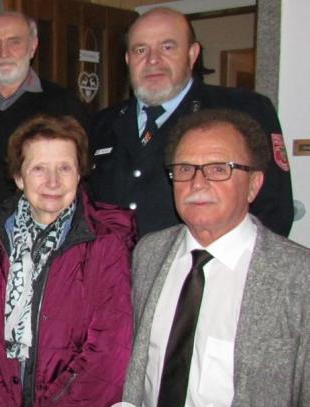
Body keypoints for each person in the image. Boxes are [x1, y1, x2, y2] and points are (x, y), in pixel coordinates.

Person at [122, 109, 309, 407]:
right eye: (184, 169)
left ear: (254, 184)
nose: (197, 183)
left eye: (219, 169)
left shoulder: (299, 278)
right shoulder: (148, 254)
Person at [0, 114, 134, 407]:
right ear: (19, 177)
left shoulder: (105, 244)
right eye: (39, 168)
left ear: (80, 173)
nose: (52, 181)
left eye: (64, 168)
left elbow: (108, 354)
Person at [88, 7, 293, 237]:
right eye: (140, 50)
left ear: (192, 54)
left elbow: (274, 209)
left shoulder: (241, 110)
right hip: (114, 270)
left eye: (167, 47)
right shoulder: (101, 124)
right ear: (128, 59)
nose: (153, 60)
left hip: (198, 268)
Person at [0, 10, 88, 217]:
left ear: (33, 46)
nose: (3, 52)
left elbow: (80, 172)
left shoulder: (63, 104)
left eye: (14, 42)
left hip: (48, 233)